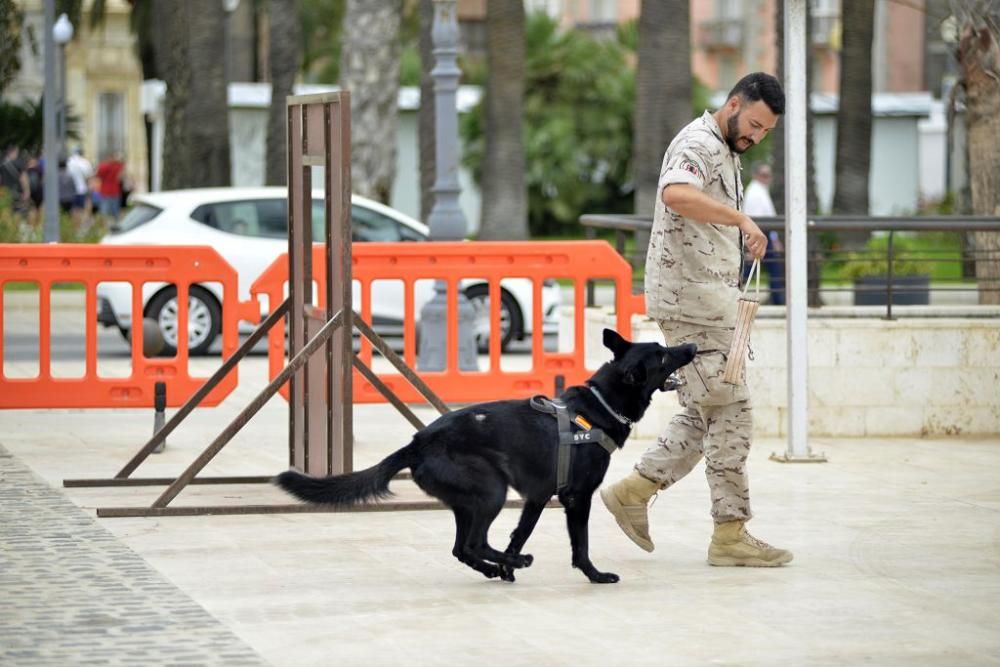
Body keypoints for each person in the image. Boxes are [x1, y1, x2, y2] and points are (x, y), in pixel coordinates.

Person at [600, 72, 793, 567]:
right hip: (691, 304)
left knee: (706, 409)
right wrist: (743, 220)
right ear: (732, 104)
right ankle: (726, 532)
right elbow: (676, 193)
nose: (755, 137)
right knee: (731, 409)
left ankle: (636, 492)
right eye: (752, 124)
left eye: (765, 132)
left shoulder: (726, 149)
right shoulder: (698, 142)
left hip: (710, 301)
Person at [744, 162, 785, 305]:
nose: (767, 178)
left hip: (764, 233)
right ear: (756, 175)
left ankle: (777, 299)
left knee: (759, 267)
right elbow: (758, 219)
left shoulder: (759, 190)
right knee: (761, 267)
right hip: (761, 233)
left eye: (768, 175)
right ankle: (777, 300)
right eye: (764, 175)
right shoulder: (755, 192)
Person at [95, 152, 125, 221]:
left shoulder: (103, 166)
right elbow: (121, 177)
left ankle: (106, 228)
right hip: (115, 192)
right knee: (116, 213)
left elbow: (98, 175)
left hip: (105, 192)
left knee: (104, 213)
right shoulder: (118, 166)